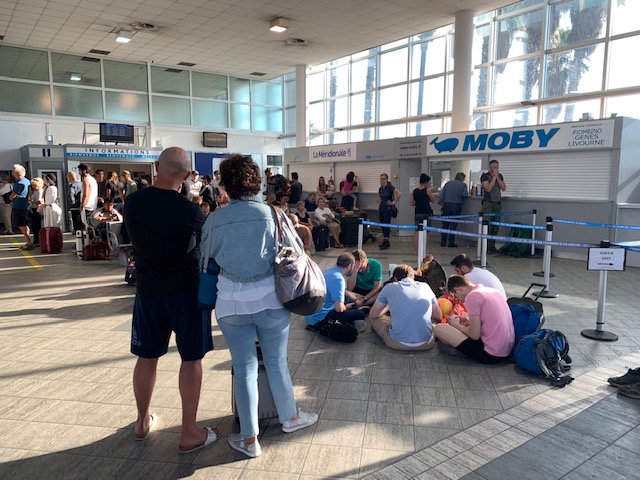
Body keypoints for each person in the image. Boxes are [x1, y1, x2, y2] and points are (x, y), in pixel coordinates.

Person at [203, 153, 317, 458]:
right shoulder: (274, 214)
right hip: (271, 301)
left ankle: (250, 439)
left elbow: (204, 258)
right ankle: (290, 418)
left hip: (230, 304)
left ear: (225, 185)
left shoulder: (214, 220)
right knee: (277, 363)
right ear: (256, 182)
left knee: (244, 369)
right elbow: (295, 251)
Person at [125, 146, 217, 454]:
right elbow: (203, 248)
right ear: (187, 175)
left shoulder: (133, 202)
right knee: (191, 358)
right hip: (186, 291)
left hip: (148, 291)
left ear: (156, 167)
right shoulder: (190, 211)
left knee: (146, 356)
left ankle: (141, 421)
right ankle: (189, 432)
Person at [433, 275, 514, 364]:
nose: (458, 300)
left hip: (491, 354)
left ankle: (463, 352)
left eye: (456, 297)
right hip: (506, 349)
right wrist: (467, 322)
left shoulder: (472, 297)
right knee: (446, 339)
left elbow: (474, 335)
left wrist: (456, 325)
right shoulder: (492, 291)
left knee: (439, 329)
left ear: (458, 290)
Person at [369, 264, 442, 351]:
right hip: (427, 343)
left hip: (397, 343)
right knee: (432, 321)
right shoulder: (425, 286)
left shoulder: (389, 287)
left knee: (374, 319)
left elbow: (373, 314)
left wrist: (389, 306)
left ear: (395, 279)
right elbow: (438, 316)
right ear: (413, 277)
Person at [305, 252, 367, 332]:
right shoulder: (339, 279)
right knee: (360, 314)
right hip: (320, 316)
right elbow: (339, 309)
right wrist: (346, 307)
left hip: (311, 313)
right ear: (349, 266)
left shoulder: (329, 270)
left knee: (349, 303)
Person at [481, 160, 507, 253]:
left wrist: (497, 178)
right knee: (487, 226)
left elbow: (503, 188)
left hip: (497, 204)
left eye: (497, 167)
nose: (496, 169)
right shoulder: (485, 176)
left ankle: (492, 246)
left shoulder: (500, 176)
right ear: (490, 167)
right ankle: (485, 247)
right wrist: (493, 178)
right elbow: (488, 189)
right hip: (488, 203)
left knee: (495, 226)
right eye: (494, 167)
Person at [438, 172, 469, 248]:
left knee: (445, 224)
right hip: (456, 205)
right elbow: (465, 195)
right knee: (453, 225)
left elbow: (442, 195)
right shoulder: (463, 185)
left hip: (447, 205)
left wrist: (441, 203)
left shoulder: (448, 184)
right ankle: (451, 242)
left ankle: (443, 242)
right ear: (462, 178)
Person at [410, 173, 435, 254]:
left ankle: (416, 250)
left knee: (417, 231)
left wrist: (418, 203)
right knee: (425, 232)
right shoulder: (427, 190)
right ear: (426, 182)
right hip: (426, 213)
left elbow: (411, 203)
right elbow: (433, 200)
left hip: (417, 213)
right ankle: (423, 250)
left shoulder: (414, 191)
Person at [378, 173, 401, 250]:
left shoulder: (390, 187)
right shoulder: (381, 188)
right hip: (382, 208)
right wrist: (380, 202)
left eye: (383, 179)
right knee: (382, 224)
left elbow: (399, 193)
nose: (382, 180)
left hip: (388, 209)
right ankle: (385, 239)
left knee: (386, 224)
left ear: (387, 179)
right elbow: (379, 197)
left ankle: (386, 241)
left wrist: (393, 202)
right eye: (381, 179)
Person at [11, 165, 31, 249]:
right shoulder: (27, 181)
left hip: (18, 206)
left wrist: (9, 198)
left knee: (21, 224)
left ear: (17, 173)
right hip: (24, 205)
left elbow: (13, 195)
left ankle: (29, 242)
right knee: (24, 224)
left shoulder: (19, 183)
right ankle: (28, 241)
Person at [79, 164, 98, 229]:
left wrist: (82, 205)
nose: (79, 172)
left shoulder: (85, 180)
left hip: (87, 206)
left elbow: (85, 194)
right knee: (92, 225)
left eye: (80, 170)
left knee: (87, 225)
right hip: (93, 205)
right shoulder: (93, 179)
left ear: (84, 171)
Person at [28, 177, 44, 247]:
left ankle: (38, 241)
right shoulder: (34, 191)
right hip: (33, 209)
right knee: (34, 226)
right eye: (33, 185)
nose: (34, 187)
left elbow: (40, 201)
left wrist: (32, 201)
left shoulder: (40, 191)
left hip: (38, 209)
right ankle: (36, 240)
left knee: (37, 226)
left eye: (35, 185)